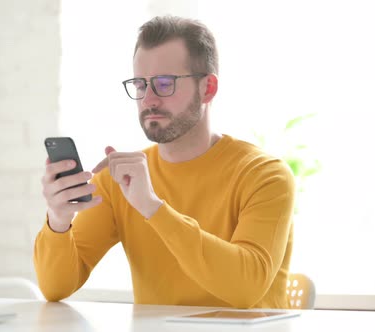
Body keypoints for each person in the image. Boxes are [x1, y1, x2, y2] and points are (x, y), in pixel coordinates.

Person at [33, 16, 295, 309]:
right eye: (141, 85)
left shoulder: (265, 175)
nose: (148, 100)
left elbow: (246, 289)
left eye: (164, 83)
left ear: (207, 88)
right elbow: (56, 287)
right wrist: (58, 221)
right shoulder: (119, 180)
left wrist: (152, 207)